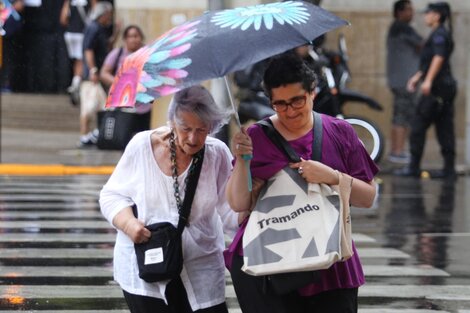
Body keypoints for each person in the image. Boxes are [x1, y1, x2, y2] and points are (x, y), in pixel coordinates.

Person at [225, 53, 378, 313]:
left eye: (297, 100)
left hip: (329, 263)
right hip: (267, 263)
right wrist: (242, 160)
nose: (290, 111)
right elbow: (238, 203)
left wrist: (332, 176)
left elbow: (367, 197)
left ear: (313, 92)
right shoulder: (255, 137)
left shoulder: (340, 132)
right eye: (280, 104)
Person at [99, 85, 240, 313]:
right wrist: (129, 224)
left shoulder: (217, 153)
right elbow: (112, 195)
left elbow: (231, 212)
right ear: (172, 121)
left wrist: (245, 168)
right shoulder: (142, 146)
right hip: (145, 266)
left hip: (200, 267)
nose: (193, 138)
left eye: (202, 130)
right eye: (186, 129)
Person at [396, 2, 457, 179]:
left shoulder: (439, 35)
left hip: (438, 90)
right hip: (443, 89)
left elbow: (438, 58)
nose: (425, 16)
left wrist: (428, 81)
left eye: (428, 13)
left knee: (418, 125)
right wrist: (418, 77)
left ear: (437, 16)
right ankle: (449, 170)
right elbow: (430, 61)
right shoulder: (438, 33)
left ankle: (414, 167)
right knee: (444, 127)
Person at [386, 0, 423, 164]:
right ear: (399, 12)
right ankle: (397, 152)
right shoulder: (402, 28)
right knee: (402, 116)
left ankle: (396, 151)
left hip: (400, 80)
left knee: (400, 115)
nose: (412, 12)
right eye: (408, 9)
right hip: (405, 81)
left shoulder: (396, 27)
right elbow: (423, 45)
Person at [78, 1, 113, 147]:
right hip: (91, 75)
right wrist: (92, 69)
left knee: (99, 105)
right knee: (89, 106)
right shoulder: (93, 27)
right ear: (103, 14)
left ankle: (89, 134)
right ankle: (84, 135)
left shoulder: (99, 29)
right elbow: (88, 50)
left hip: (96, 73)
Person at [60, 0, 96, 103]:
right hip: (83, 34)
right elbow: (96, 14)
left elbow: (63, 19)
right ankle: (77, 83)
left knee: (78, 60)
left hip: (71, 34)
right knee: (83, 60)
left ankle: (76, 82)